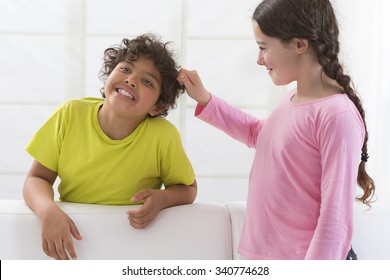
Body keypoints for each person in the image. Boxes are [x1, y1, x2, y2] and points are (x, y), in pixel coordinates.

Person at [178, 0, 375, 259]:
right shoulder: (292, 98)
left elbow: (335, 220)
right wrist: (204, 98)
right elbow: (258, 135)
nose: (259, 60)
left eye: (263, 48)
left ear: (299, 44)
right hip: (266, 258)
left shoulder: (336, 115)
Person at [23, 34, 197, 260]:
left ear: (157, 106)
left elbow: (188, 189)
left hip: (131, 243)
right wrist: (47, 210)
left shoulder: (162, 136)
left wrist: (162, 199)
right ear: (110, 73)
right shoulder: (70, 114)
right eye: (125, 69)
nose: (131, 80)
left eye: (147, 81)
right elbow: (36, 179)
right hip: (77, 239)